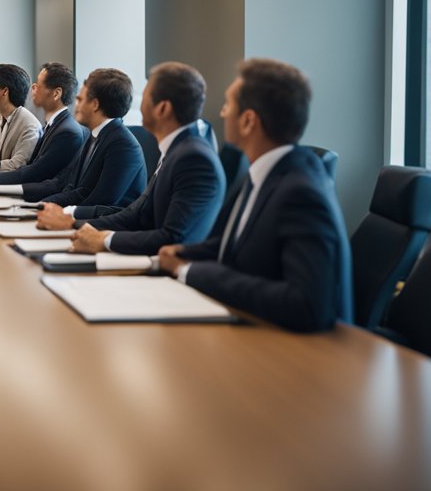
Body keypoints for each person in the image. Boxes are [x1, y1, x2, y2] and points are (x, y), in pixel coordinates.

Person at [158, 59, 353, 332]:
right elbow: (234, 244)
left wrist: (189, 270)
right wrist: (184, 252)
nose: (223, 113)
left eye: (228, 105)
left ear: (249, 121)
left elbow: (307, 304)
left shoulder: (301, 192)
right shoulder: (262, 171)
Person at [39, 62, 223, 255]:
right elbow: (135, 214)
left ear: (162, 108)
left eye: (145, 96)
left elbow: (173, 238)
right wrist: (76, 223)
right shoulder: (177, 150)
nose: (138, 103)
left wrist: (105, 240)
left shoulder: (193, 159)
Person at [29, 68, 146, 211]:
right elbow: (77, 190)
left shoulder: (123, 145)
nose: (75, 105)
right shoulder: (94, 135)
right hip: (83, 220)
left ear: (95, 104)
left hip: (104, 228)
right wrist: (39, 206)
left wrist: (61, 214)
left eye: (80, 99)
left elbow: (101, 201)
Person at [0, 62, 86, 186]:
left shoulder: (67, 132)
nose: (33, 87)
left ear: (56, 94)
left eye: (39, 85)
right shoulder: (52, 125)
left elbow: (35, 173)